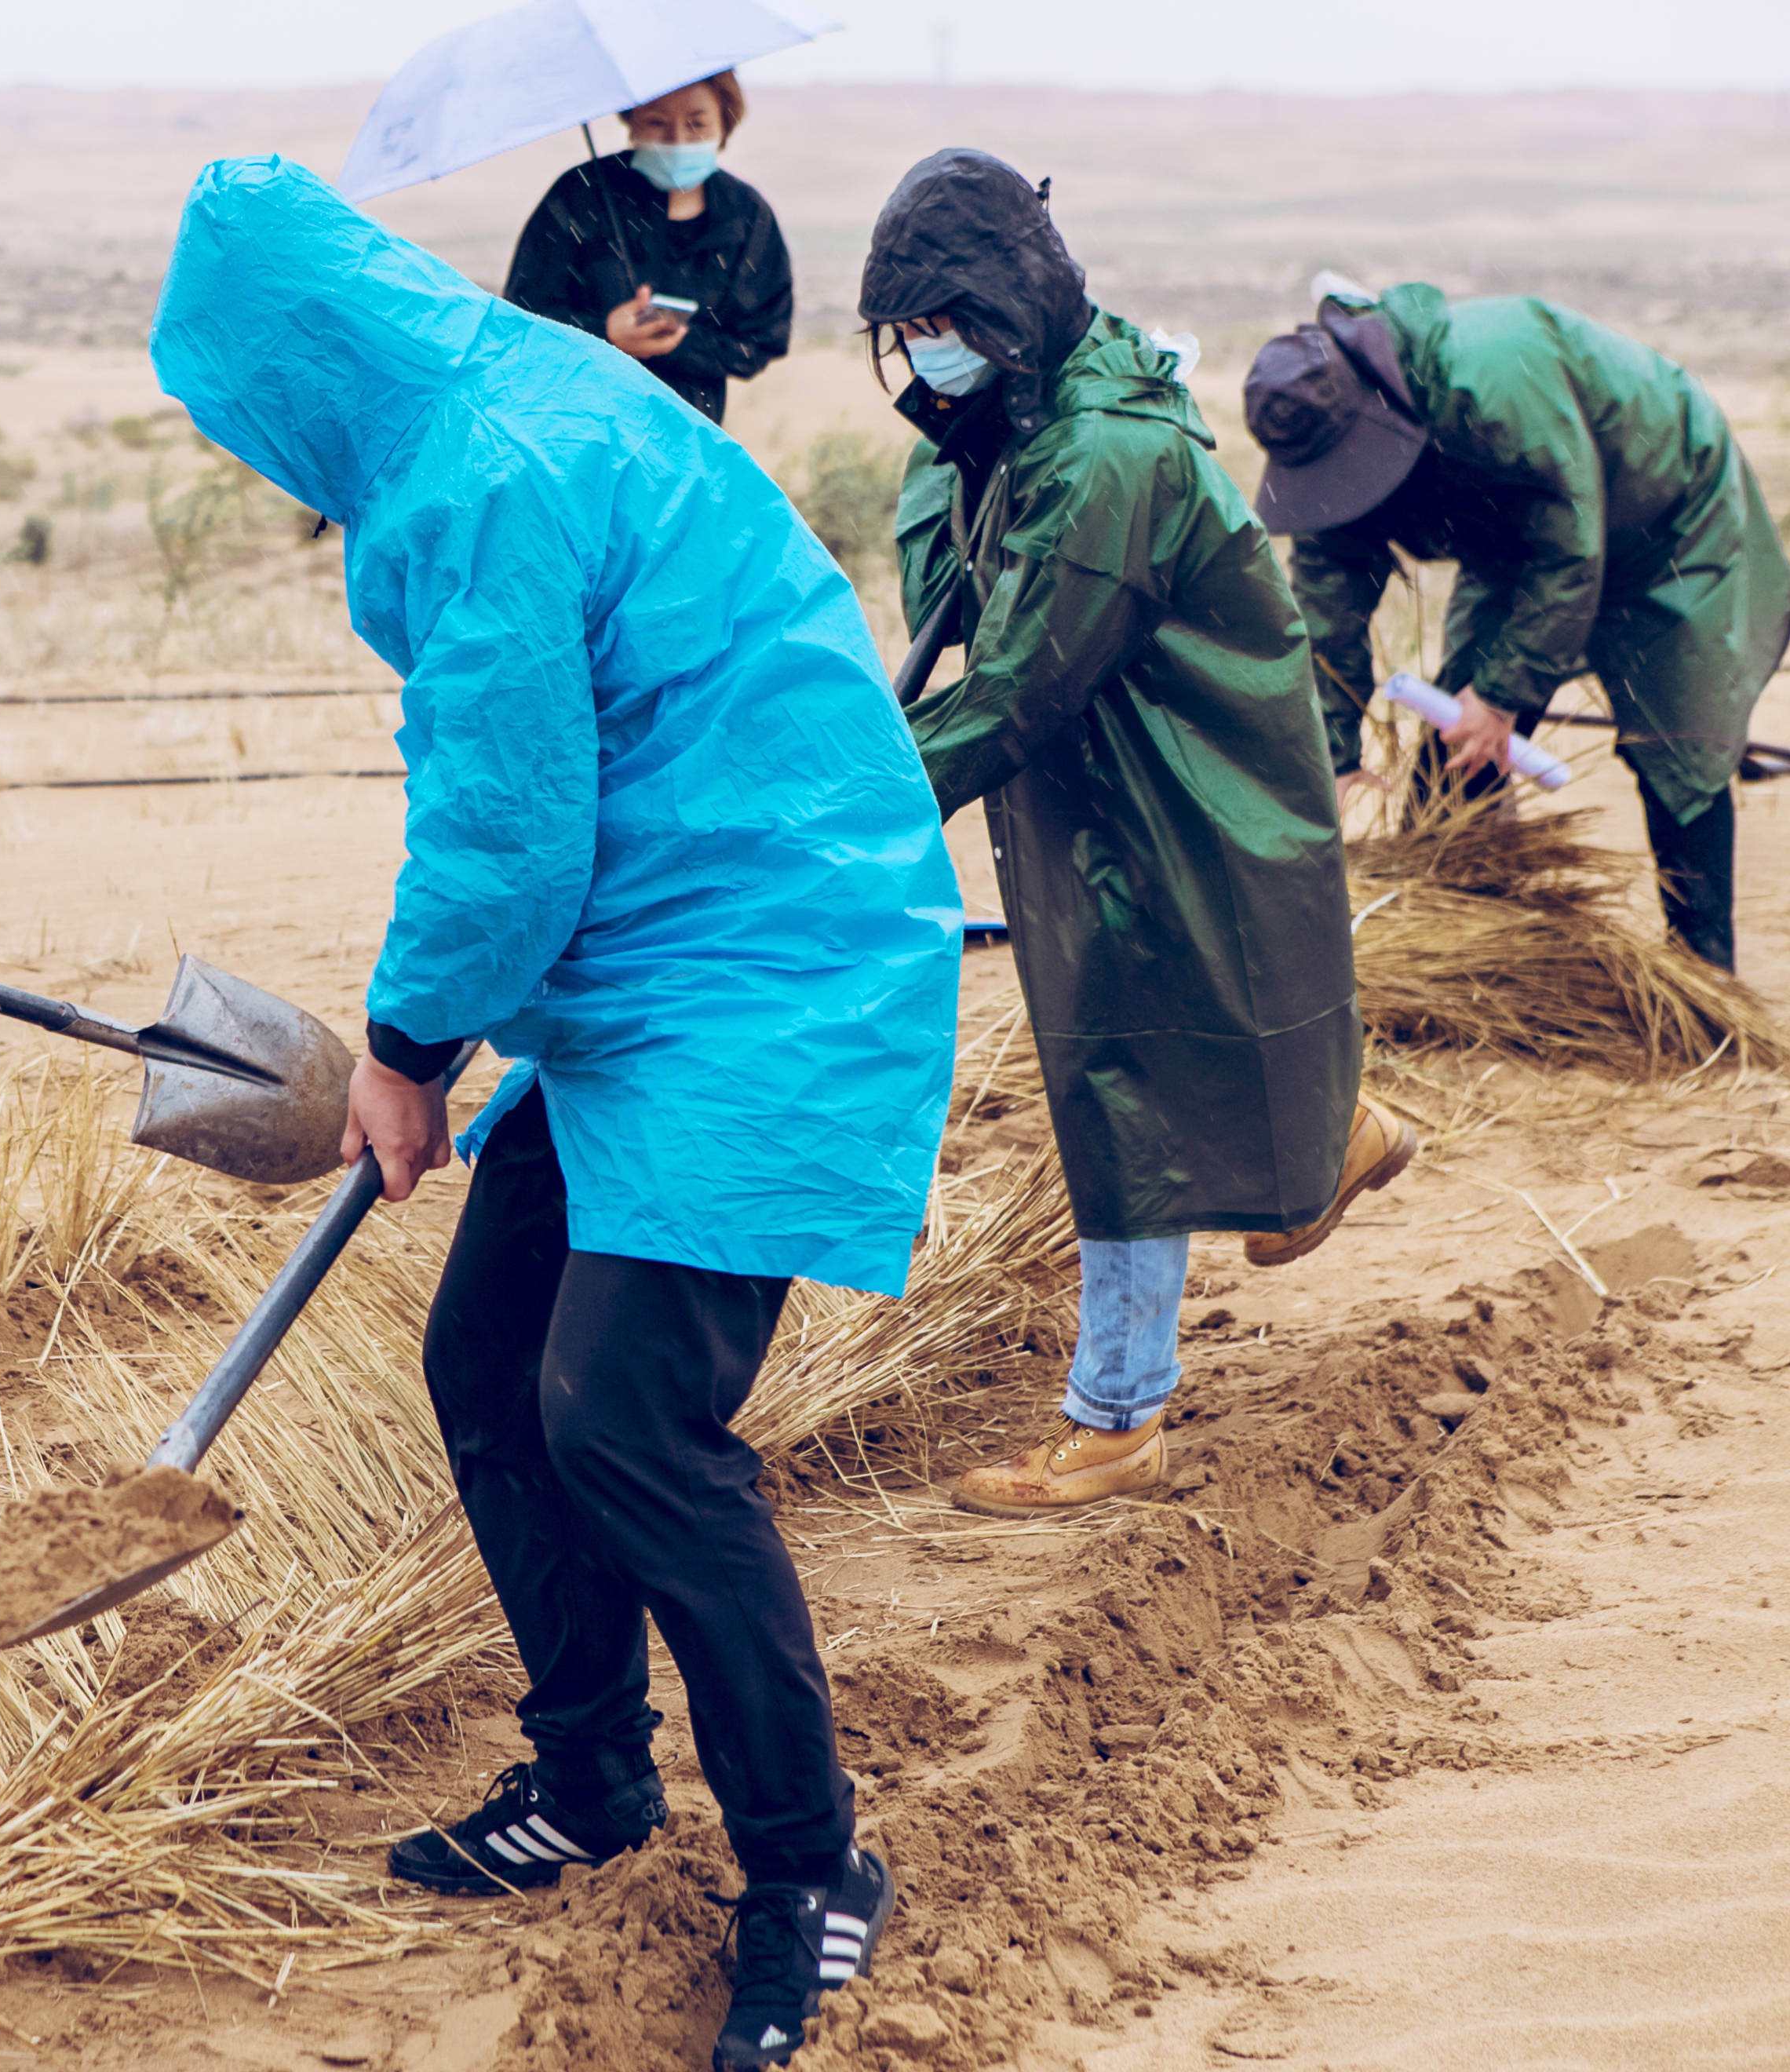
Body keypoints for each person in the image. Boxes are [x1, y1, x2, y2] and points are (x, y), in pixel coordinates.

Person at [155, 157, 961, 2070]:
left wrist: (404, 1048)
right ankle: (589, 1778)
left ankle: (807, 1867)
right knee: (486, 1364)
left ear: (296, 367)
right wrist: (444, 1038)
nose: (260, 450)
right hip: (646, 969)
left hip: (770, 961)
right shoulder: (489, 411)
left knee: (623, 1415)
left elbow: (506, 832)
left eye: (250, 409)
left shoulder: (488, 471)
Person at [862, 150, 1412, 1518]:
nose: (926, 353)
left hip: (1173, 798)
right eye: (909, 332)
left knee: (1127, 1090)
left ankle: (1116, 1419)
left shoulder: (1105, 452)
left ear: (1008, 309)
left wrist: (837, 811)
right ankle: (1329, 1135)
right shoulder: (1033, 424)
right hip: (1116, 792)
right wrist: (953, 451)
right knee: (1141, 1073)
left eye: (944, 325)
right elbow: (967, 596)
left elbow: (1017, 686)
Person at [1244, 283, 1790, 971]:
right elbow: (1327, 599)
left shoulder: (1495, 383)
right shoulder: (1327, 439)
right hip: (1521, 548)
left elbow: (1571, 549)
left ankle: (1705, 977)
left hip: (1666, 523)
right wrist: (1334, 751)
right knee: (1456, 757)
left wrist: (1502, 695)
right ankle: (1474, 954)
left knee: (1679, 752)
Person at [499, 68, 792, 425]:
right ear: (631, 121)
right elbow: (523, 314)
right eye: (656, 122)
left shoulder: (746, 215)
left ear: (725, 123)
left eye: (697, 124)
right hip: (575, 426)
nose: (677, 141)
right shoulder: (581, 195)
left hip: (688, 435)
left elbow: (762, 339)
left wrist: (677, 344)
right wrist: (604, 334)